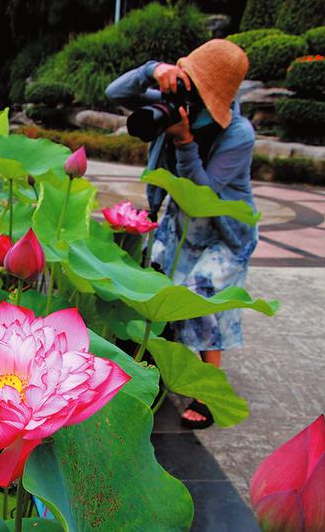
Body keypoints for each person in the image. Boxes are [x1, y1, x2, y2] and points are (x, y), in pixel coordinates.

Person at [105, 39, 258, 429]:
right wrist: (152, 70)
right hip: (180, 221)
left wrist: (185, 141)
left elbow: (202, 194)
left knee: (203, 297)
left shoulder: (238, 133)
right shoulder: (170, 97)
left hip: (224, 231)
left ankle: (206, 390)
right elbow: (114, 92)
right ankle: (157, 365)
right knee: (159, 289)